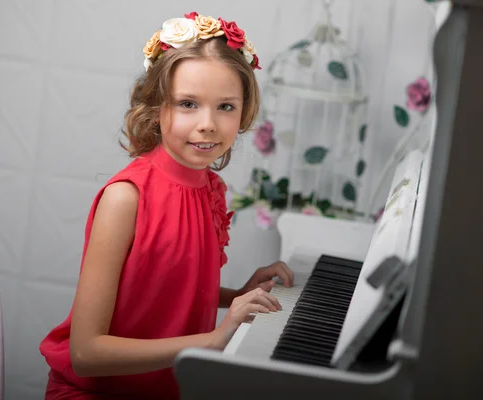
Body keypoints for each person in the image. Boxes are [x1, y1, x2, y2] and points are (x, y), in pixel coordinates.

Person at [40, 12, 293, 399]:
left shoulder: (211, 187)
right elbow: (86, 352)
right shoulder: (126, 198)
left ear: (244, 111)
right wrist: (213, 340)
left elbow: (169, 291)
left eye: (225, 106)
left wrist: (236, 295)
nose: (208, 123)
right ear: (157, 108)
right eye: (188, 103)